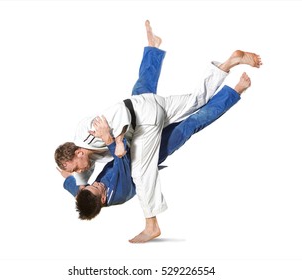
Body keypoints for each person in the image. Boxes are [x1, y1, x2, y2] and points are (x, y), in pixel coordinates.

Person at [55, 20, 262, 243]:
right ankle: (226, 77)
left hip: (143, 125)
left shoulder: (85, 187)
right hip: (146, 140)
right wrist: (110, 138)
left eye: (88, 183)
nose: (91, 180)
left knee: (173, 109)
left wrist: (66, 170)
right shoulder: (119, 191)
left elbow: (72, 181)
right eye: (96, 186)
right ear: (104, 197)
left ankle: (227, 82)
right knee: (178, 120)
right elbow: (122, 154)